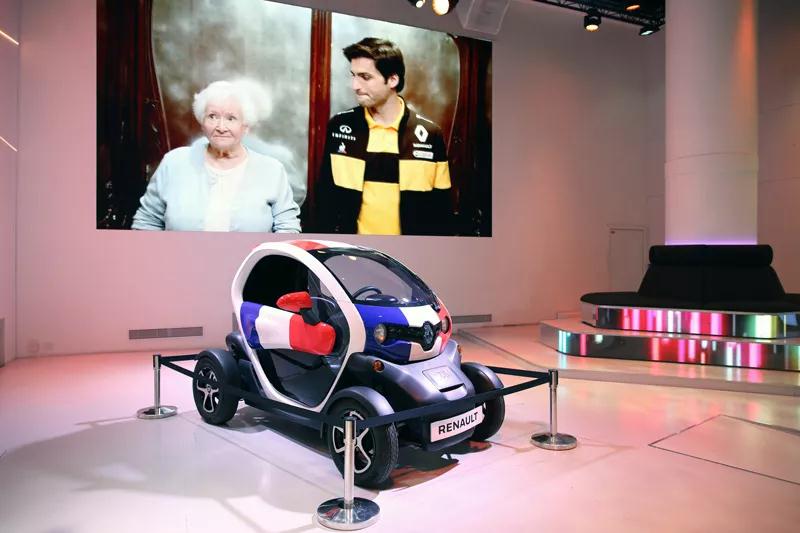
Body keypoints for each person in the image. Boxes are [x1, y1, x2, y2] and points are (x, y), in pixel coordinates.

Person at [316, 38, 453, 235]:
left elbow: (442, 212)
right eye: (353, 75)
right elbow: (324, 200)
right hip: (353, 250)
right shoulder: (340, 126)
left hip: (410, 251)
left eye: (365, 77)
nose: (355, 85)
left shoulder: (430, 134)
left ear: (392, 80)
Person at [132, 80, 301, 232]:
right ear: (202, 122)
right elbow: (146, 222)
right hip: (180, 257)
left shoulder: (271, 169)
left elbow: (287, 229)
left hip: (250, 258)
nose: (221, 127)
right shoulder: (174, 163)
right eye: (212, 116)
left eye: (231, 118)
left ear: (246, 126)